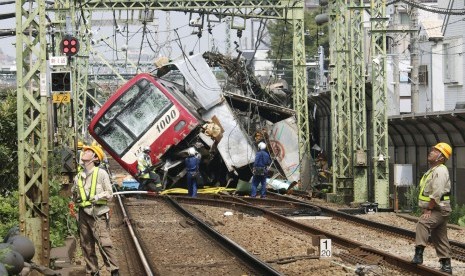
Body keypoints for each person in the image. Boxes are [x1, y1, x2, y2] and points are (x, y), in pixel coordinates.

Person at [71, 145, 119, 276]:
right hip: (83, 214)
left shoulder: (101, 173)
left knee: (104, 243)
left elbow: (109, 193)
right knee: (86, 245)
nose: (85, 152)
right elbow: (75, 196)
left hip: (98, 213)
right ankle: (93, 271)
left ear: (95, 158)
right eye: (85, 151)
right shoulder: (78, 177)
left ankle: (114, 270)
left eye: (89, 151)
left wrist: (97, 196)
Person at [411, 142, 453, 274]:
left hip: (439, 209)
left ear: (441, 158)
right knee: (439, 236)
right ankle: (446, 265)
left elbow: (436, 193)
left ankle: (419, 254)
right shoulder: (433, 170)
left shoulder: (440, 171)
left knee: (423, 223)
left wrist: (428, 209)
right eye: (432, 150)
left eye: (435, 151)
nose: (431, 152)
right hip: (437, 208)